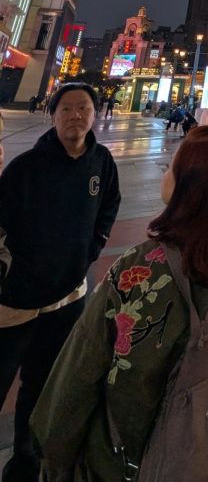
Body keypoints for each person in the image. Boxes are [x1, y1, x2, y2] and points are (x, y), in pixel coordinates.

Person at [31, 127, 208, 482]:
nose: (166, 171)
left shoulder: (137, 267)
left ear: (188, 184)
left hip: (122, 451)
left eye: (172, 167)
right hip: (204, 434)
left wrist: (53, 456)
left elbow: (82, 365)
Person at [0, 82, 121, 482]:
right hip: (15, 303)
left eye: (83, 108)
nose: (75, 116)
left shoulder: (101, 161)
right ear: (52, 115)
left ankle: (25, 463)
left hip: (69, 299)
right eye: (66, 109)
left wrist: (94, 244)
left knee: (43, 385)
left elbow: (109, 204)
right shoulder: (26, 169)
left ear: (95, 113)